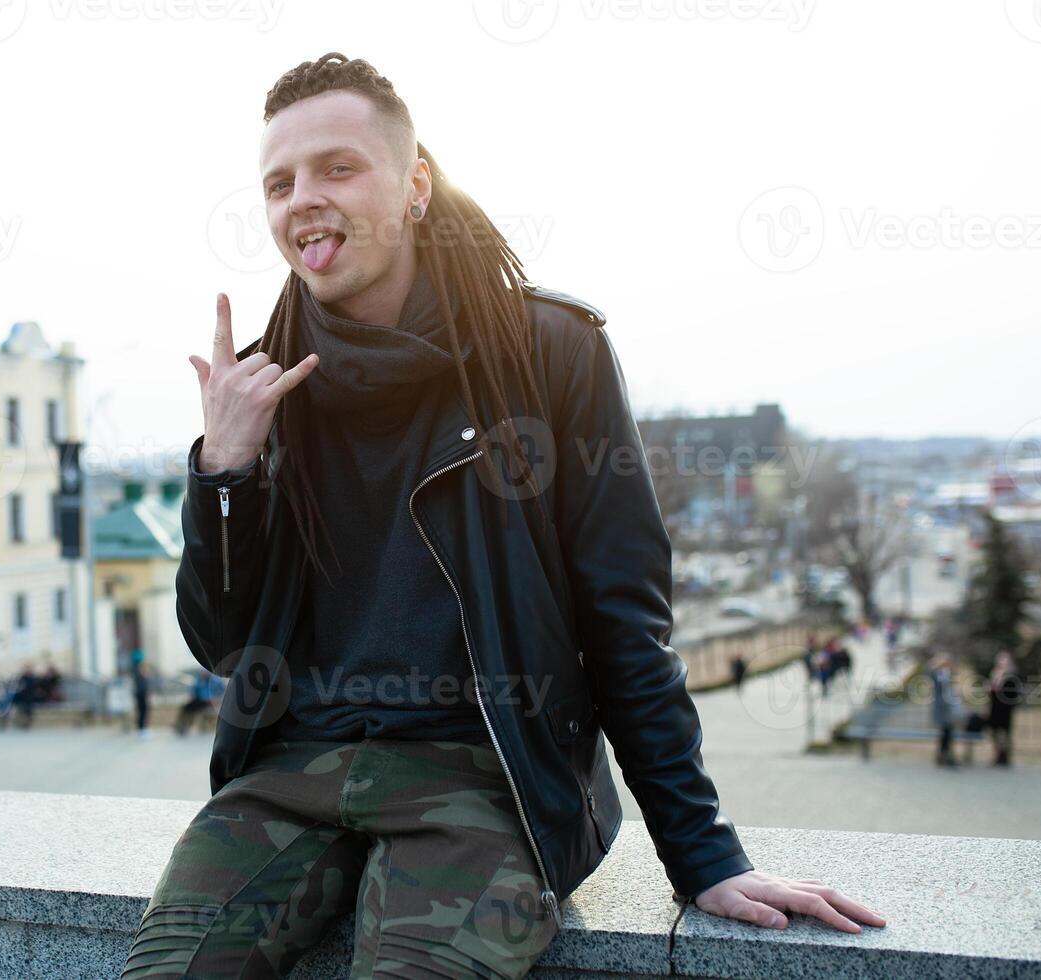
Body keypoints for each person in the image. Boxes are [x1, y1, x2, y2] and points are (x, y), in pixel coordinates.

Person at [123, 53, 885, 978]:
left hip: (487, 776)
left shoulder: (548, 353)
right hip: (288, 779)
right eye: (279, 183)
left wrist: (704, 854)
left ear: (416, 184)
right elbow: (219, 642)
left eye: (338, 167)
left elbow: (623, 621)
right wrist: (225, 471)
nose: (302, 200)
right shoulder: (259, 384)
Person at [985, 650, 1023, 767]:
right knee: (994, 731)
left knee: (1005, 732)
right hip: (995, 706)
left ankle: (1004, 756)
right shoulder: (995, 672)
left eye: (1005, 659)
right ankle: (998, 754)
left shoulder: (1012, 674)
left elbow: (1010, 691)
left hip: (1005, 707)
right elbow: (991, 689)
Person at [929, 654, 961, 767]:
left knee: (948, 732)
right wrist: (935, 664)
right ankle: (941, 756)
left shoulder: (949, 675)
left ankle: (946, 755)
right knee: (944, 732)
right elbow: (930, 672)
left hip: (949, 707)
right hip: (941, 707)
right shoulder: (937, 675)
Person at [174, 667, 222, 736]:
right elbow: (193, 692)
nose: (204, 674)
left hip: (210, 702)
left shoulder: (215, 681)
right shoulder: (198, 680)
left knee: (194, 708)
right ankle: (182, 726)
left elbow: (221, 692)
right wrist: (191, 697)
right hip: (199, 701)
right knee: (186, 708)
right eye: (202, 672)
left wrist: (216, 698)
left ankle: (186, 726)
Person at [129, 647, 150, 738]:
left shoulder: (136, 668)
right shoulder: (136, 668)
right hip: (140, 693)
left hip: (141, 693)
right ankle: (141, 729)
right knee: (142, 711)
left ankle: (142, 728)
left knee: (143, 710)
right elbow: (142, 681)